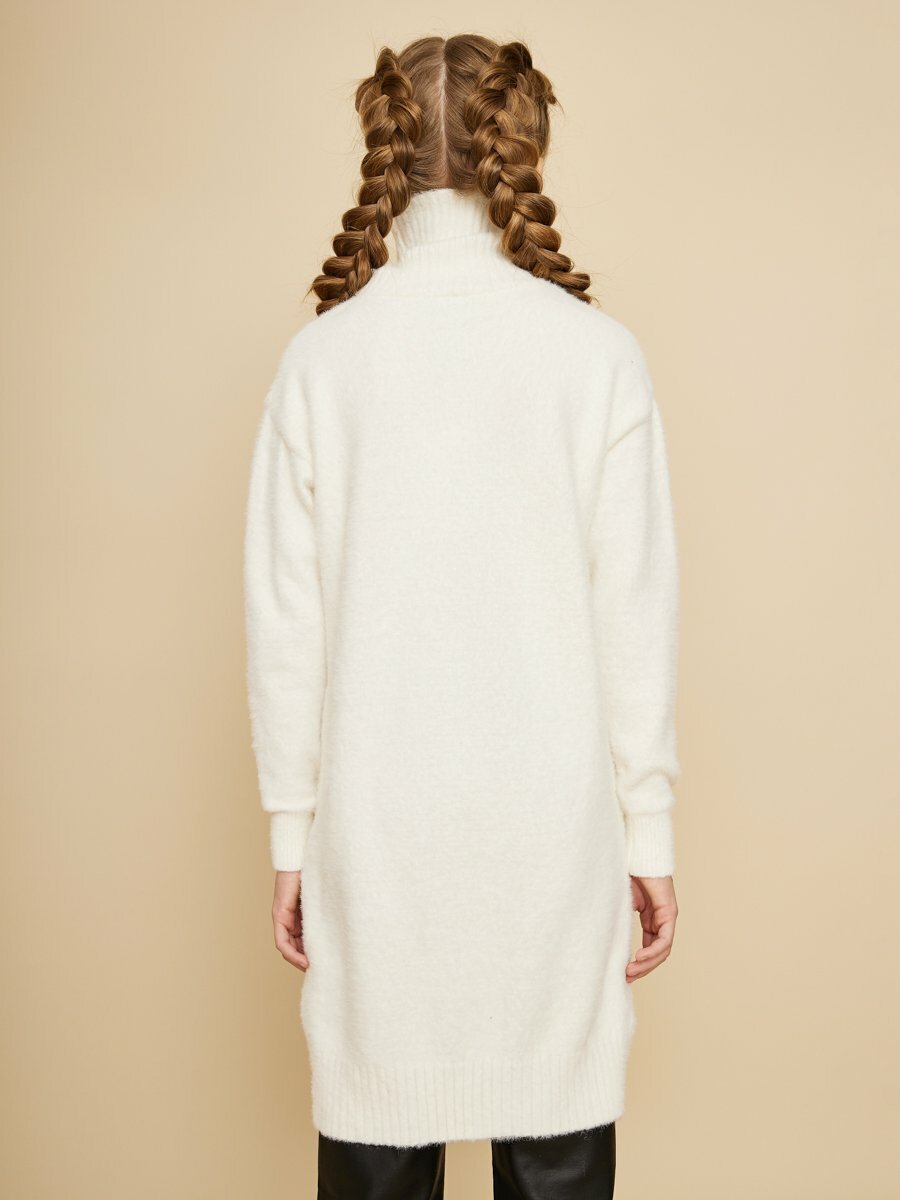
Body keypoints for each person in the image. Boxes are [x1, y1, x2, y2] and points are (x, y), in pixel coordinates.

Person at [243, 33, 681, 1200]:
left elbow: (286, 633)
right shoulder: (598, 357)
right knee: (559, 1148)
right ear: (522, 147)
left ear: (386, 149)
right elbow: (634, 619)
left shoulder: (320, 364)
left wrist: (291, 837)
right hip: (553, 844)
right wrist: (648, 836)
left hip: (375, 843)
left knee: (377, 1147)